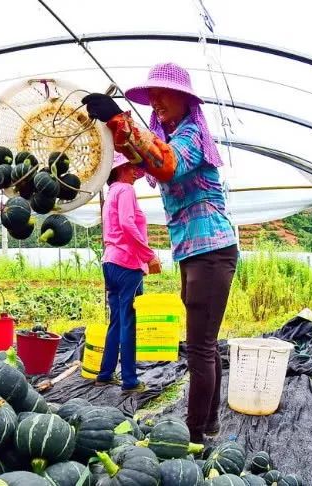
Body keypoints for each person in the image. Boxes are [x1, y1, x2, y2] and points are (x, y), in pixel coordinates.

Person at [83, 62, 239, 442]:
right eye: (151, 95)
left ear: (185, 100)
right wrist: (113, 127)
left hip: (212, 252)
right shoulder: (168, 137)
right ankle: (210, 424)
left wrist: (120, 119)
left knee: (200, 348)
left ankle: (193, 436)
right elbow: (145, 158)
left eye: (162, 93)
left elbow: (165, 164)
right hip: (194, 255)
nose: (155, 100)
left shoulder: (189, 137)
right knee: (206, 346)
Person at [95, 153, 161, 393]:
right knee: (128, 323)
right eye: (133, 167)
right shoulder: (125, 190)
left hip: (110, 263)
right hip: (126, 264)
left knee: (116, 320)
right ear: (122, 168)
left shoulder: (112, 192)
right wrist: (149, 255)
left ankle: (105, 372)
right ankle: (130, 380)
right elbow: (127, 224)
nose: (136, 172)